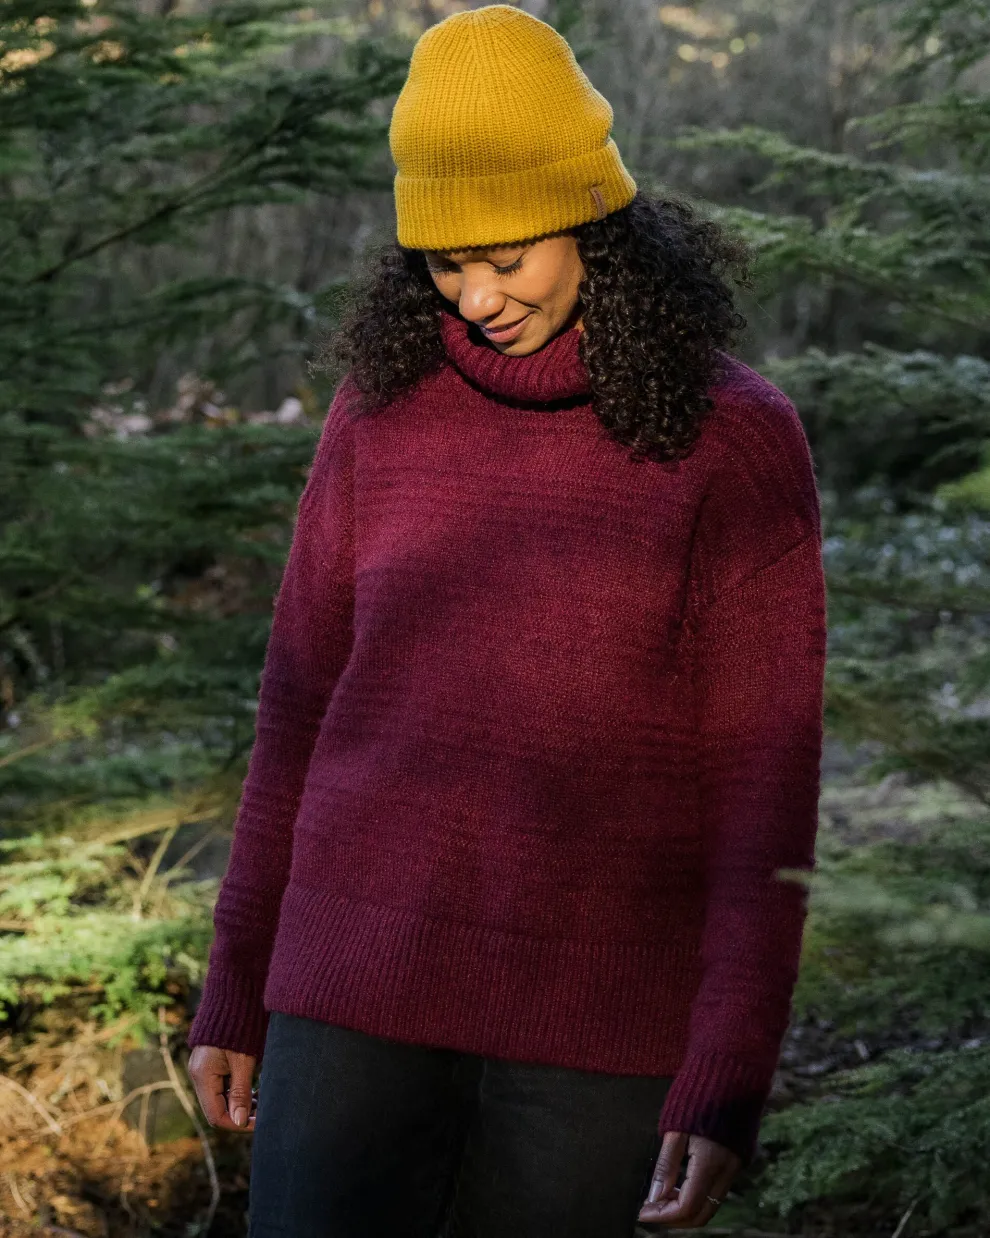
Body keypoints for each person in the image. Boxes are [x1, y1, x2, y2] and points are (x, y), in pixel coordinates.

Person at [186, 6, 828, 1236]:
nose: (476, 296)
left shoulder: (734, 439)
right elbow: (297, 706)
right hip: (349, 985)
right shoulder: (380, 407)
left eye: (508, 255)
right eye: (442, 262)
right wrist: (236, 982)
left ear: (592, 215)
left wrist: (729, 1062)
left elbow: (765, 779)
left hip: (595, 1029)